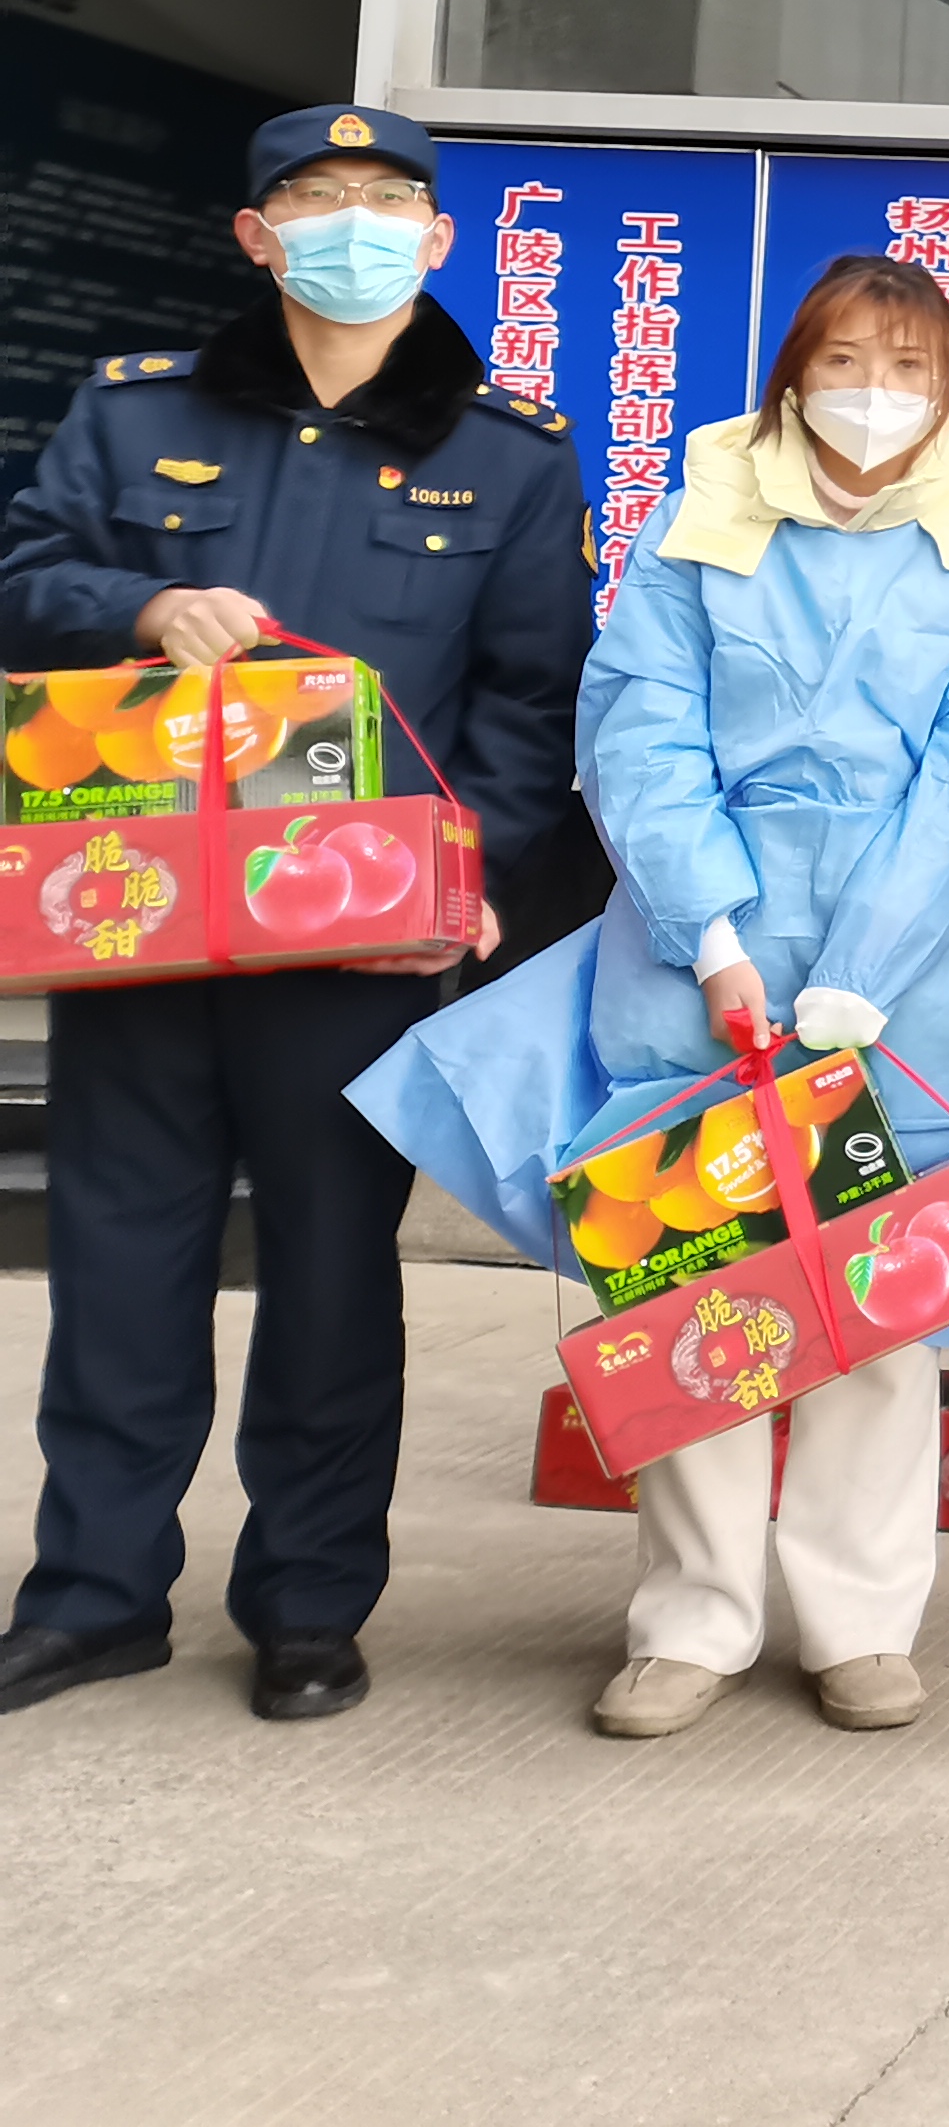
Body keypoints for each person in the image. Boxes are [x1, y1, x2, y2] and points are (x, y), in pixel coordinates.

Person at [351, 253, 949, 1736]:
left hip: (915, 973)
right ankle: (692, 1620)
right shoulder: (700, 527)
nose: (875, 395)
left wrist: (861, 974)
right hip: (698, 958)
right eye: (846, 362)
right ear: (793, 377)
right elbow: (639, 735)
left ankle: (862, 1623)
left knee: (884, 1302)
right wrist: (716, 937)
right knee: (695, 1282)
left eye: (910, 369)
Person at [0, 104, 582, 1724]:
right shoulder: (136, 412)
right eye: (318, 198)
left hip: (354, 938)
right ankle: (95, 1595)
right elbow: (21, 583)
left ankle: (310, 1603)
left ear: (437, 239)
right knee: (121, 1260)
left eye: (387, 200)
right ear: (257, 234)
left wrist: (469, 883)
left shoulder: (509, 453)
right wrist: (138, 603)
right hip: (141, 914)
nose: (354, 225)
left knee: (331, 1274)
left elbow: (533, 701)